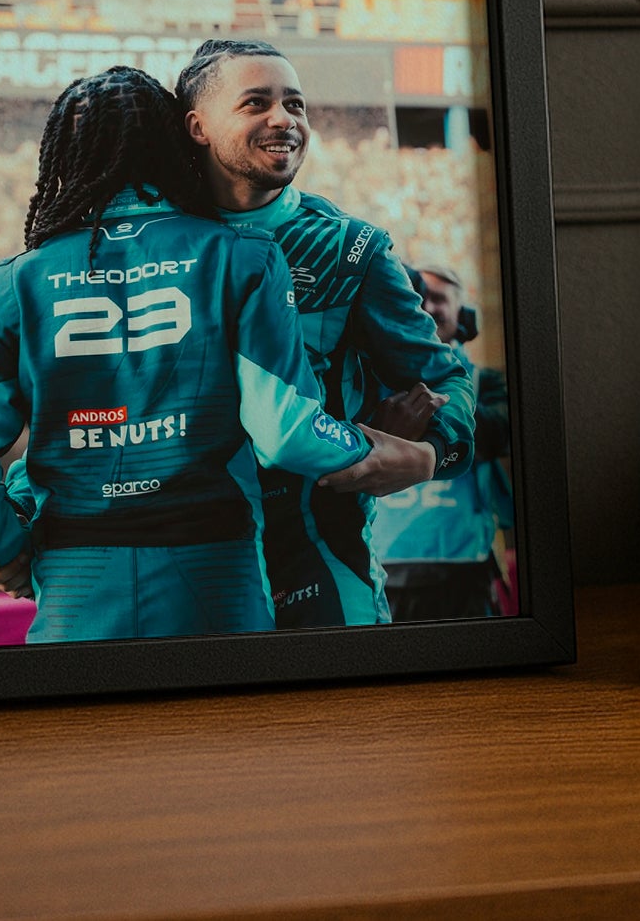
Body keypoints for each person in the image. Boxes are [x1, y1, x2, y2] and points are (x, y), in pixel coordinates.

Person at [0, 66, 381, 644]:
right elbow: (285, 432)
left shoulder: (10, 286)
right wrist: (378, 446)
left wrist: (4, 548)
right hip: (216, 578)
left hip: (74, 585)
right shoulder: (243, 256)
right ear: (176, 145)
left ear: (63, 158)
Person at [176, 39, 477, 628]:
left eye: (295, 104)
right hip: (185, 559)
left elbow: (445, 378)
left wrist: (427, 455)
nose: (283, 119)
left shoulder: (350, 248)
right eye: (256, 103)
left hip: (318, 558)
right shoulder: (147, 244)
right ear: (198, 126)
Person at [373, 264, 513, 620]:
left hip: (464, 569)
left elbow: (498, 435)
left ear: (464, 314)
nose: (426, 306)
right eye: (417, 297)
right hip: (383, 567)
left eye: (438, 298)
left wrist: (417, 409)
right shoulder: (367, 378)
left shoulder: (486, 382)